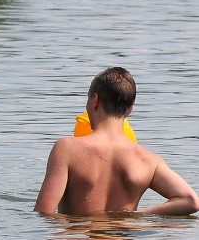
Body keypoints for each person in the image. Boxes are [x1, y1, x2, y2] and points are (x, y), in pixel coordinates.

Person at [34, 67, 199, 215]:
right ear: (130, 109)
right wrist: (136, 217)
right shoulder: (148, 161)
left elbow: (43, 212)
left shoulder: (66, 149)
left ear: (95, 100)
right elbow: (190, 200)